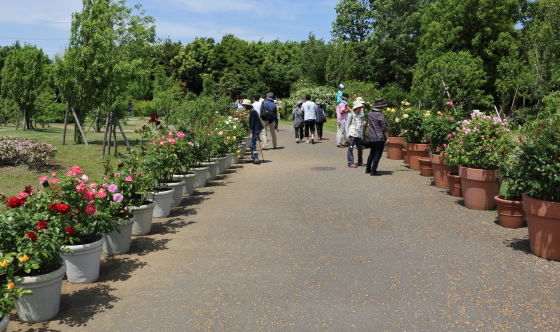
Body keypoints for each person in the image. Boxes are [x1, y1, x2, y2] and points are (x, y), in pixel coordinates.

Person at [365, 99, 390, 175]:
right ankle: (373, 170)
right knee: (378, 154)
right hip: (379, 137)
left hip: (372, 136)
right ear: (381, 107)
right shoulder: (380, 115)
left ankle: (368, 169)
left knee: (372, 153)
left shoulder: (370, 114)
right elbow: (384, 128)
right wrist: (387, 138)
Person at [345, 100, 364, 168]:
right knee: (351, 148)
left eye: (361, 107)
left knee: (360, 148)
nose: (360, 109)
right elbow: (347, 125)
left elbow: (361, 124)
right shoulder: (350, 115)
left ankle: (360, 161)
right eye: (359, 107)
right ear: (356, 107)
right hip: (352, 134)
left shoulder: (360, 115)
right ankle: (350, 162)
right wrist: (347, 134)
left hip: (358, 134)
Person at [246, 99, 264, 164]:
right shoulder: (253, 111)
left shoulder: (252, 112)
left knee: (252, 144)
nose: (243, 107)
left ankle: (256, 158)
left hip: (255, 130)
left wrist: (251, 132)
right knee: (251, 144)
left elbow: (252, 123)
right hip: (257, 129)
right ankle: (252, 158)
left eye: (244, 106)